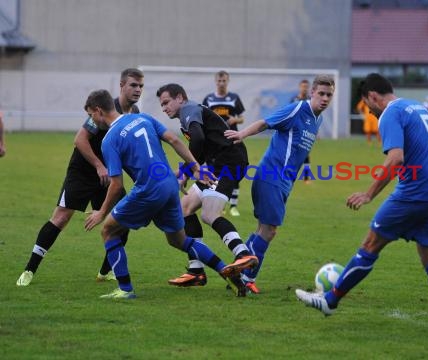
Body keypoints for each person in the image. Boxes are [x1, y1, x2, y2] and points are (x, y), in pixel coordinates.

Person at [295, 73, 428, 338]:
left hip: (414, 192)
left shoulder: (390, 113)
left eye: (368, 106)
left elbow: (396, 159)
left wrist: (368, 194)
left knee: (370, 244)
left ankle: (330, 301)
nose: (371, 113)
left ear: (373, 96)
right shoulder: (417, 106)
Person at [83, 89, 252, 299]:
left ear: (98, 111)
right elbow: (174, 140)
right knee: (179, 240)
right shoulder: (143, 118)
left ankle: (125, 289)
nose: (92, 120)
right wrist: (195, 167)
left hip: (147, 190)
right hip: (170, 185)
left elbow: (116, 185)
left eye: (91, 115)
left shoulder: (108, 140)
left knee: (108, 230)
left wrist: (100, 213)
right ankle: (225, 271)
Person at [16, 68, 145, 287]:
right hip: (83, 172)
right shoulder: (104, 109)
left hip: (108, 175)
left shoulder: (135, 114)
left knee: (122, 218)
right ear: (122, 85)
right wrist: (98, 165)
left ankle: (106, 271)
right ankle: (29, 270)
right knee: (61, 218)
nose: (138, 90)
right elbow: (80, 140)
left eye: (141, 86)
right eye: (133, 85)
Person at [225, 74, 335, 294]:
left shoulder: (317, 119)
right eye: (321, 93)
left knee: (262, 229)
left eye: (329, 95)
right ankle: (246, 277)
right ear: (312, 92)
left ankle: (237, 269)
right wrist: (242, 134)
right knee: (269, 230)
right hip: (271, 176)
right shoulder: (297, 109)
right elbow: (266, 122)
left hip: (284, 182)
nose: (324, 98)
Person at [157, 83, 258, 288]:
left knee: (209, 215)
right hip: (216, 165)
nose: (164, 108)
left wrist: (190, 169)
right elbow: (201, 146)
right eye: (162, 105)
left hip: (228, 164)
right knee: (184, 209)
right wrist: (187, 171)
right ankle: (196, 272)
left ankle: (244, 255)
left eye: (167, 102)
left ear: (180, 98)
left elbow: (198, 139)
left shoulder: (188, 110)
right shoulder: (191, 112)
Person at [203, 71, 246, 217]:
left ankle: (233, 206)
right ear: (215, 81)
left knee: (234, 173)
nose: (222, 83)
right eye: (219, 80)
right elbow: (203, 118)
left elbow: (242, 118)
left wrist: (235, 120)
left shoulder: (234, 98)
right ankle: (218, 205)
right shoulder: (208, 99)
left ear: (228, 81)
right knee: (214, 174)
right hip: (214, 144)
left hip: (232, 142)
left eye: (224, 81)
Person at [291, 79, 313, 183]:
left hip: (306, 130)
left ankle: (306, 177)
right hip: (295, 130)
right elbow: (289, 113)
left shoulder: (311, 100)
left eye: (306, 86)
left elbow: (314, 116)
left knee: (305, 153)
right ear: (300, 87)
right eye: (303, 86)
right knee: (292, 152)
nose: (304, 88)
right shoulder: (294, 99)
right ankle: (290, 174)